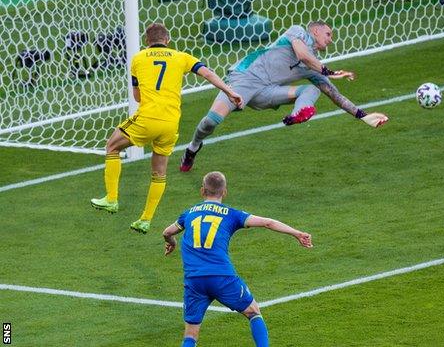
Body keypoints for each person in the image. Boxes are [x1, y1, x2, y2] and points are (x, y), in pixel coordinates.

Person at [90, 23, 243, 234]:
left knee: (112, 147)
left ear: (147, 41)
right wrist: (229, 92)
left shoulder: (138, 59)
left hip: (147, 118)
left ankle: (112, 198)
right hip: (171, 123)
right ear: (168, 40)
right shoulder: (181, 57)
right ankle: (145, 220)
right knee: (159, 172)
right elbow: (208, 74)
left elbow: (137, 97)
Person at [179, 21, 389, 172]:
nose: (331, 39)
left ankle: (297, 114)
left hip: (267, 92)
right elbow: (302, 54)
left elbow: (335, 95)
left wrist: (363, 115)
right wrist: (330, 71)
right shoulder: (297, 32)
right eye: (328, 34)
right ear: (315, 30)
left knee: (312, 90)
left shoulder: (314, 68)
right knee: (212, 121)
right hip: (245, 79)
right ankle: (193, 147)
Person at [162, 171, 313, 347]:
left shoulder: (188, 214)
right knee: (253, 312)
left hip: (194, 280)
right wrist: (297, 233)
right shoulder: (231, 214)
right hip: (222, 277)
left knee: (191, 333)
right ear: (224, 192)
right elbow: (268, 222)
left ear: (202, 191)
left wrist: (172, 242)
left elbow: (167, 232)